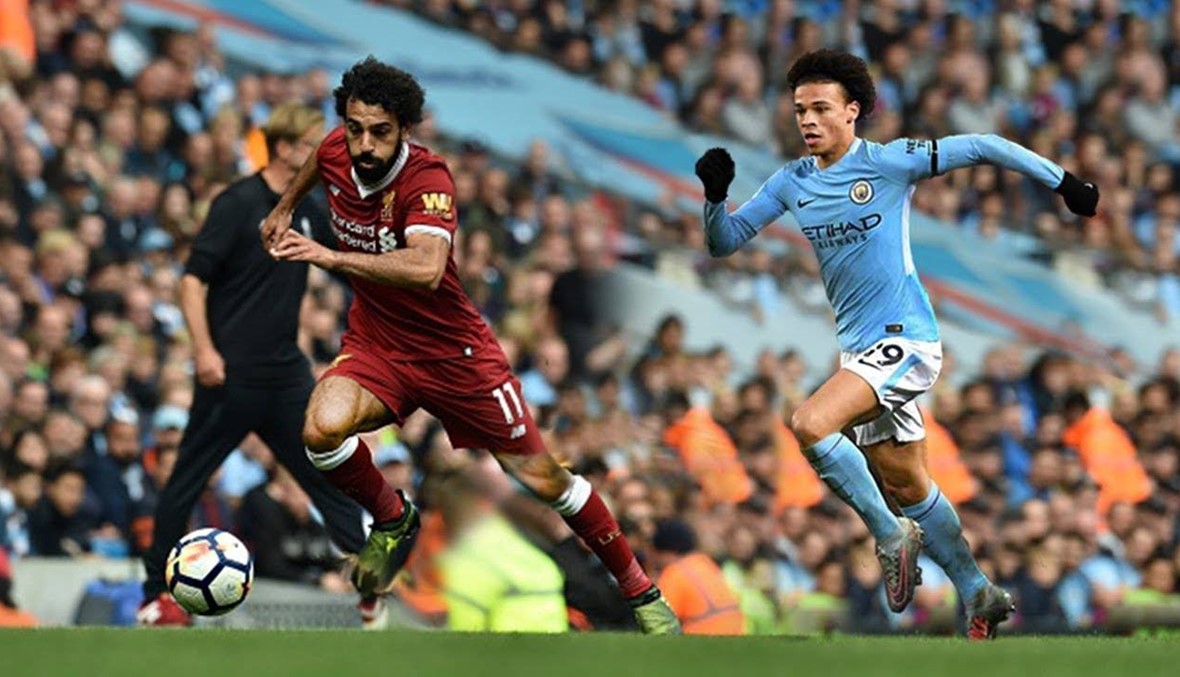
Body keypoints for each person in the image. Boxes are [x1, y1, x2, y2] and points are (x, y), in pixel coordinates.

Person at [261, 57, 678, 634]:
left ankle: (640, 591)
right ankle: (393, 517)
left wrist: (329, 256)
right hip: (379, 343)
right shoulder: (339, 148)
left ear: (405, 130)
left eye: (380, 131)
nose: (364, 144)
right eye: (355, 128)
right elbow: (319, 158)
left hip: (456, 357)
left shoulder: (428, 179)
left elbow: (427, 268)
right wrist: (283, 207)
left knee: (542, 479)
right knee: (319, 430)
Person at [692, 49, 1099, 640]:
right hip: (859, 353)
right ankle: (978, 592)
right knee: (909, 484)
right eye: (801, 110)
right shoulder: (792, 181)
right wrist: (714, 197)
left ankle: (888, 534)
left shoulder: (889, 162)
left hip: (907, 341)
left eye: (821, 108)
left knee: (810, 423)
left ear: (852, 111)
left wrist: (1065, 183)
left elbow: (983, 144)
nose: (808, 120)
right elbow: (725, 242)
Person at [136, 103, 366, 626]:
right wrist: (203, 350)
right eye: (311, 145)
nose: (321, 156)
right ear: (283, 149)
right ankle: (154, 595)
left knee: (328, 473)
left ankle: (372, 583)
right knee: (187, 481)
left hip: (284, 373)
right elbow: (192, 281)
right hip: (231, 372)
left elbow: (349, 269)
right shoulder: (237, 202)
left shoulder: (309, 209)